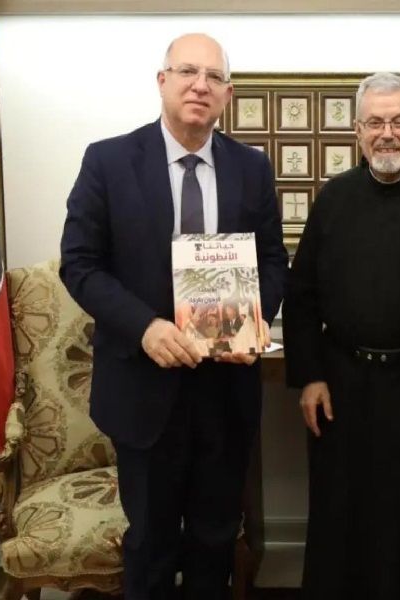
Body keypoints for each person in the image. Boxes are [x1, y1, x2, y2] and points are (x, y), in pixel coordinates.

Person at [59, 33, 287, 600]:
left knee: (216, 540)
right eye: (187, 71)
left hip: (225, 392)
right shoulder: (108, 161)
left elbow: (272, 261)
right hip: (143, 389)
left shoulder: (252, 168)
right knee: (150, 543)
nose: (200, 85)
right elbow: (80, 264)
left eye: (214, 77)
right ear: (162, 81)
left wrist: (254, 316)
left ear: (228, 94)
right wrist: (145, 327)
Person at [283, 72, 400, 600]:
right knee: (342, 521)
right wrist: (311, 377)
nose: (386, 133)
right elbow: (301, 296)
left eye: (397, 122)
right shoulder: (334, 199)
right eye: (374, 122)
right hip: (343, 389)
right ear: (357, 130)